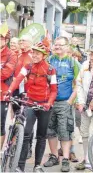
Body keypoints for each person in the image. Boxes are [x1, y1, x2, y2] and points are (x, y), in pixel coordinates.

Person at [6, 42, 58, 172]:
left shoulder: (51, 70)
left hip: (44, 105)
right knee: (26, 133)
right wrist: (9, 90)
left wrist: (49, 103)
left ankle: (37, 165)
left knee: (41, 136)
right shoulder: (28, 66)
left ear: (44, 55)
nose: (34, 55)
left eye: (37, 53)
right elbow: (18, 79)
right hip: (30, 103)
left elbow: (54, 90)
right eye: (33, 52)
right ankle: (20, 166)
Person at [44, 36, 81, 172]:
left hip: (65, 102)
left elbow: (79, 84)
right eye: (56, 45)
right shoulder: (49, 61)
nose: (57, 47)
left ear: (67, 47)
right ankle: (54, 157)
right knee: (50, 130)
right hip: (49, 102)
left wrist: (70, 101)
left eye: (60, 45)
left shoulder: (73, 63)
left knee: (65, 131)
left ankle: (65, 159)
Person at [0, 29, 17, 149]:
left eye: (1, 38)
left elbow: (6, 73)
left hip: (2, 94)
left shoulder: (11, 54)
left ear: (6, 41)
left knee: (0, 125)